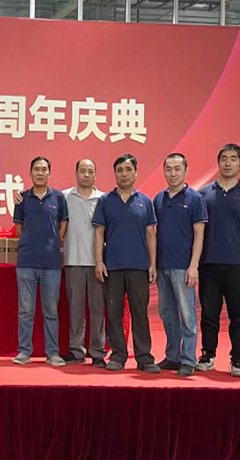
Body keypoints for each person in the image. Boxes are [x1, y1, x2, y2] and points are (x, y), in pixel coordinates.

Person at [197, 144, 240, 377]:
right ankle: (208, 355)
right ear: (218, 162)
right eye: (224, 158)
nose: (228, 163)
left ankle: (237, 360)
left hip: (237, 265)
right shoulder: (204, 194)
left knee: (238, 315)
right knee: (209, 314)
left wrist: (239, 245)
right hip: (208, 263)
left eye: (233, 159)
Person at [92, 154, 160, 373]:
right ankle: (118, 355)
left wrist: (153, 264)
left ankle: (144, 357)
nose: (124, 174)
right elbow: (99, 232)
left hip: (139, 266)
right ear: (115, 174)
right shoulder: (105, 201)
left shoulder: (145, 201)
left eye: (128, 169)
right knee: (114, 312)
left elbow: (151, 234)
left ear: (136, 173)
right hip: (112, 266)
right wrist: (99, 262)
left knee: (140, 312)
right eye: (120, 170)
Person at [153, 153, 208, 377]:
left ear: (186, 171)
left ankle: (188, 359)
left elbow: (199, 234)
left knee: (187, 315)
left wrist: (193, 266)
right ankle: (172, 355)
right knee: (167, 314)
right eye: (168, 169)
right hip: (162, 266)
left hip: (183, 267)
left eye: (177, 169)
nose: (173, 174)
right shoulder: (159, 199)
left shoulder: (195, 199)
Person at [12, 157, 69, 366]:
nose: (40, 173)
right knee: (25, 310)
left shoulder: (59, 198)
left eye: (44, 169)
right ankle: (24, 352)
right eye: (36, 169)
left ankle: (52, 353)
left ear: (49, 174)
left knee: (51, 310)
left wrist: (54, 242)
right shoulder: (22, 199)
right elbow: (19, 229)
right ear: (30, 173)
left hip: (51, 262)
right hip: (26, 261)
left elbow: (63, 225)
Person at [62, 159, 108, 367]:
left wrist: (101, 260)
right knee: (76, 310)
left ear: (96, 175)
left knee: (97, 309)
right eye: (83, 171)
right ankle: (76, 350)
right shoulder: (64, 197)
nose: (86, 175)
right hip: (73, 260)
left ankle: (97, 352)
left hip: (97, 263)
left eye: (90, 171)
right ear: (76, 173)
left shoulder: (104, 199)